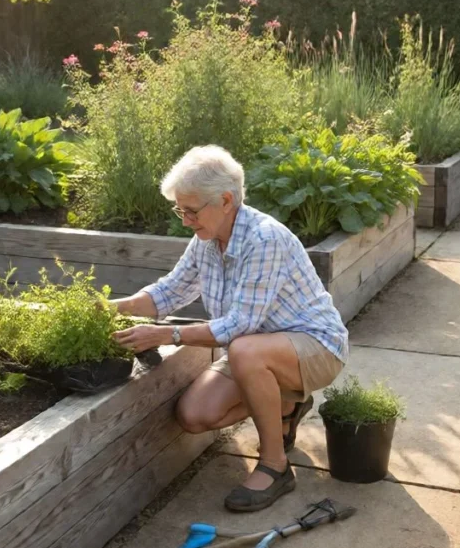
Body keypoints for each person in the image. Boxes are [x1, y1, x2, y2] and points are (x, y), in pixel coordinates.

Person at [109, 145, 349, 513]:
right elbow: (169, 291)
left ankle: (275, 465)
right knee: (194, 415)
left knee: (244, 349)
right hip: (255, 354)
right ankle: (284, 404)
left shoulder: (264, 239)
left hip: (315, 347)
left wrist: (168, 334)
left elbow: (240, 326)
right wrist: (109, 309)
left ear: (225, 200)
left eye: (191, 210)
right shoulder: (207, 239)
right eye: (180, 210)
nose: (184, 219)